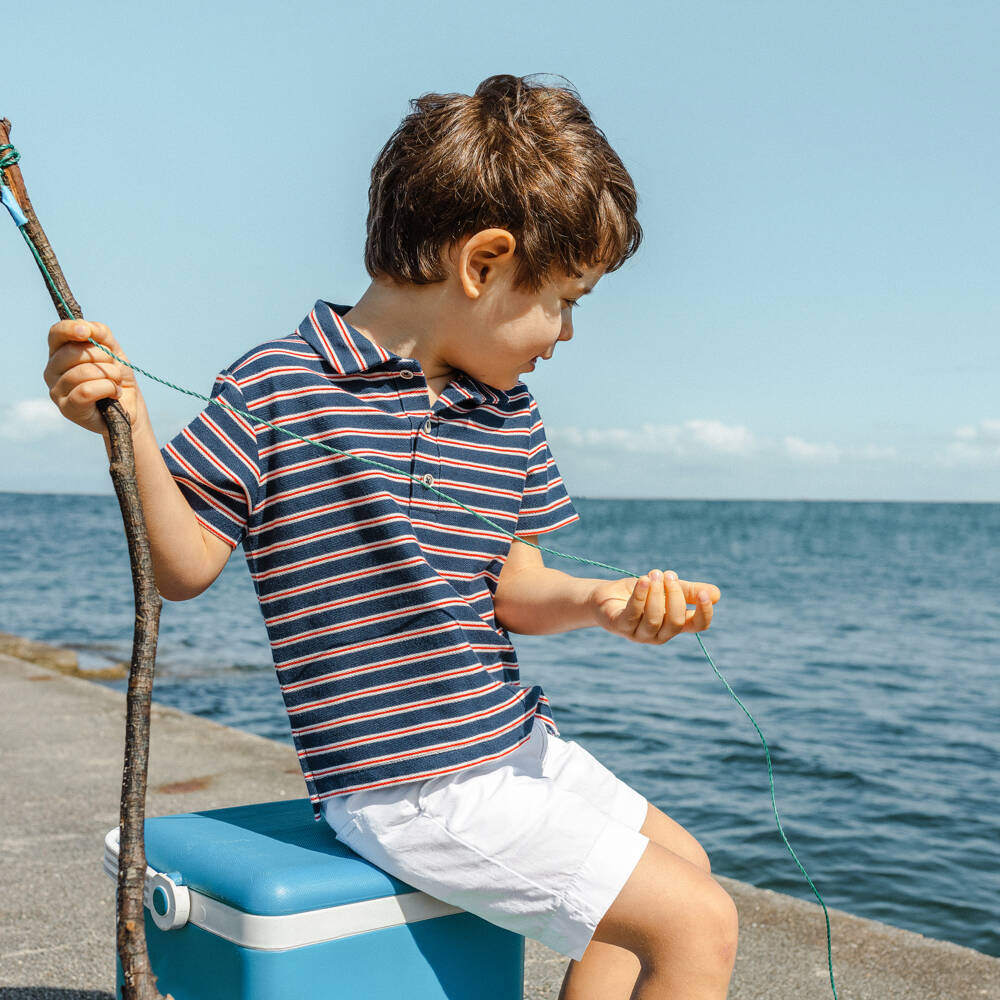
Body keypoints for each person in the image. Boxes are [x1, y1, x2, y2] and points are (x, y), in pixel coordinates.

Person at [44, 74, 737, 999]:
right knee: (698, 922)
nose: (566, 333)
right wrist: (127, 428)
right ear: (483, 263)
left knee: (682, 865)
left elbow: (515, 590)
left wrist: (605, 603)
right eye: (565, 299)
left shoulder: (508, 409)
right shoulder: (277, 385)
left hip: (510, 744)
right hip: (411, 784)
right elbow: (184, 565)